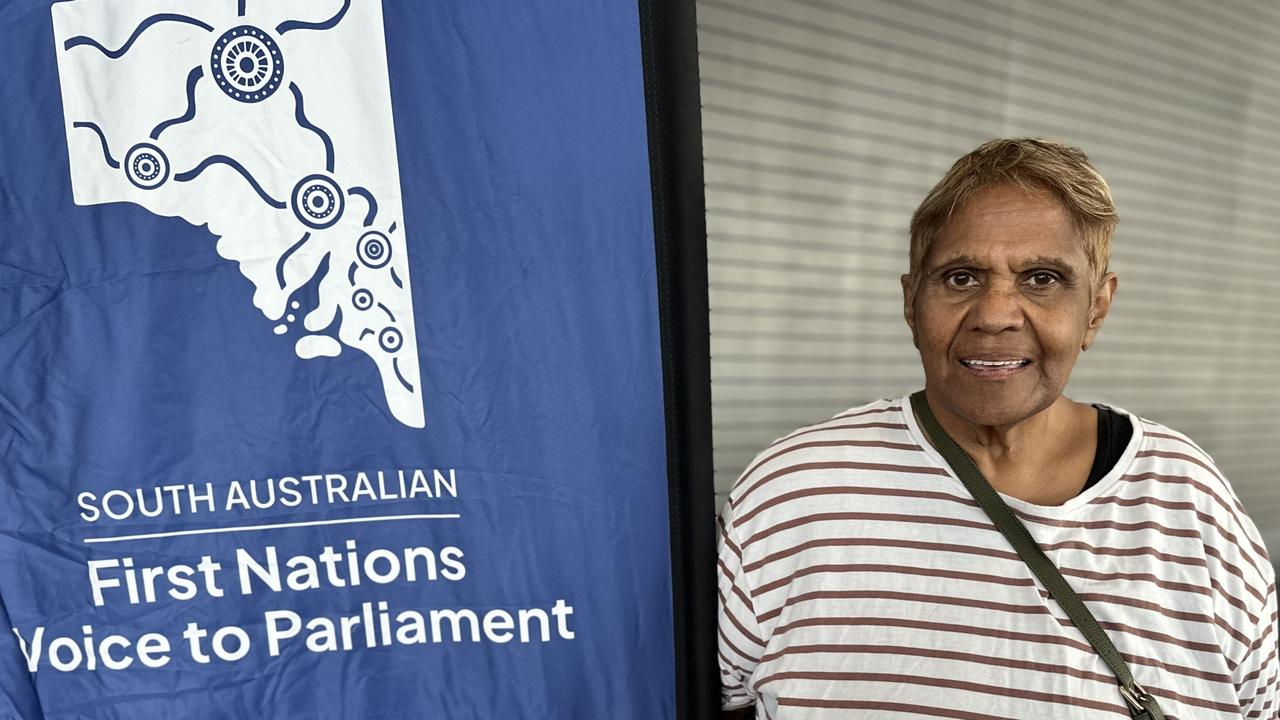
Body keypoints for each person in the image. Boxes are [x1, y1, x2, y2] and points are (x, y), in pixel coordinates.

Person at [717, 138, 1278, 719]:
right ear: (912, 302)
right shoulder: (793, 492)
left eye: (1042, 279)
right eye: (960, 278)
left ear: (1097, 308)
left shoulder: (1187, 503)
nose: (994, 315)